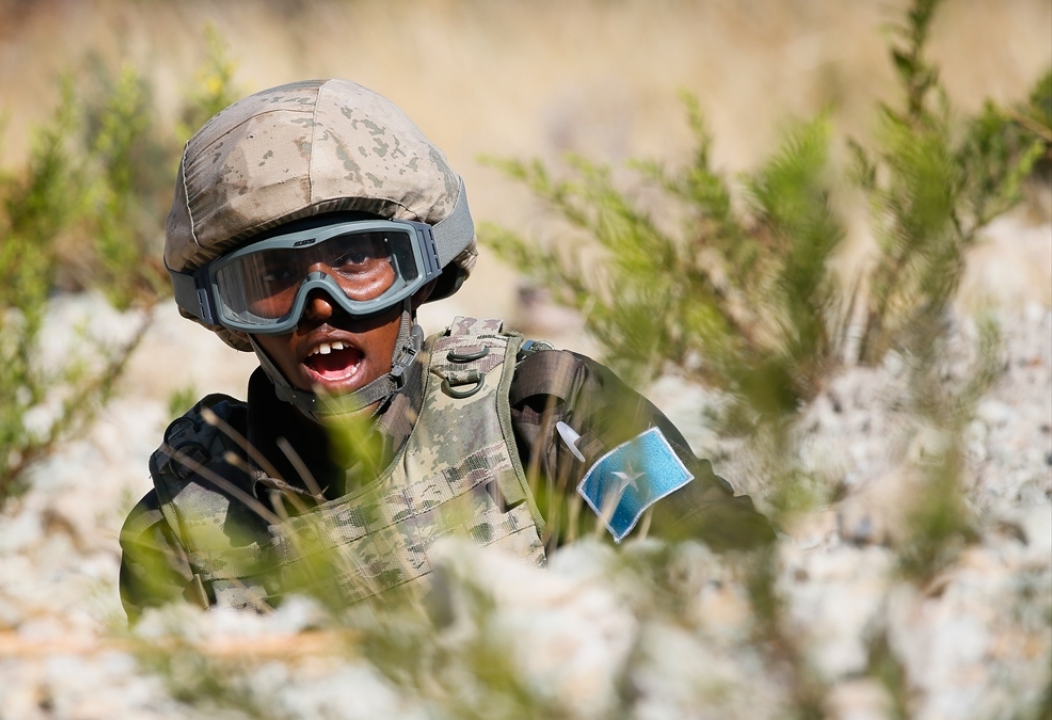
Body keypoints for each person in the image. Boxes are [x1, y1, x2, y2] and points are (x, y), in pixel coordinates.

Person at [119, 79, 773, 619]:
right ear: (226, 313)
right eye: (271, 279)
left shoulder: (543, 413)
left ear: (422, 272)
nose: (319, 306)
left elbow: (728, 574)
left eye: (355, 261)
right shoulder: (190, 516)